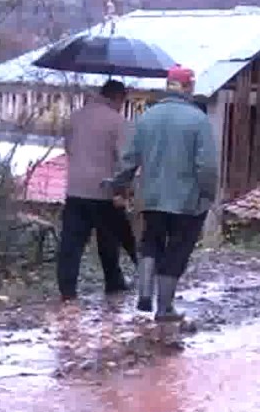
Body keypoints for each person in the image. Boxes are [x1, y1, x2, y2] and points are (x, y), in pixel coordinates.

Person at [104, 65, 219, 322]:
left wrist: (117, 182)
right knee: (177, 249)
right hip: (186, 201)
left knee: (151, 241)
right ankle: (164, 307)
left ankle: (145, 292)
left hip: (152, 196)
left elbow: (130, 159)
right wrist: (208, 193)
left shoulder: (147, 117)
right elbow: (207, 165)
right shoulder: (198, 120)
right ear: (189, 87)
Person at [55, 80, 135, 301]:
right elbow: (126, 160)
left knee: (71, 241)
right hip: (104, 189)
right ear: (118, 98)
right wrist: (123, 190)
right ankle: (114, 280)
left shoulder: (76, 117)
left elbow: (69, 148)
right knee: (109, 237)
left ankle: (67, 288)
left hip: (75, 188)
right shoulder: (119, 122)